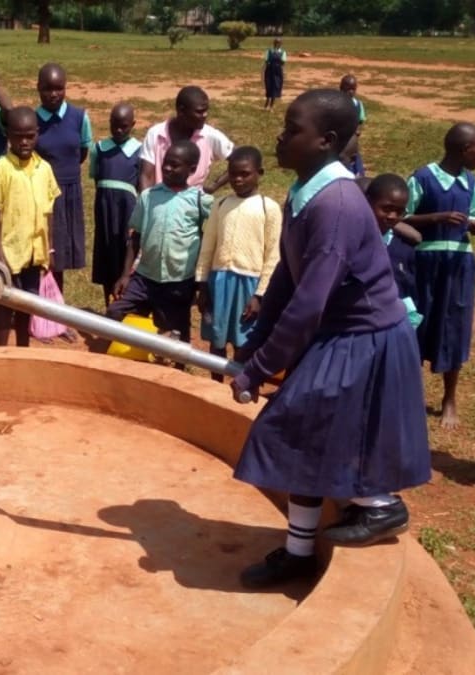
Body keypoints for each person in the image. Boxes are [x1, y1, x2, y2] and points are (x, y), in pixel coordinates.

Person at [230, 89, 430, 589]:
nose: (280, 134)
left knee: (294, 425)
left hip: (365, 339)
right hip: (338, 334)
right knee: (308, 435)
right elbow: (286, 279)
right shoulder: (304, 194)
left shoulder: (335, 205)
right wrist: (255, 343)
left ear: (327, 140)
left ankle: (382, 505)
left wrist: (256, 369)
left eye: (293, 128)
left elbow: (310, 303)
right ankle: (299, 552)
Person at [404, 123, 475, 430]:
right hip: (427, 260)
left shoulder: (470, 182)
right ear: (465, 150)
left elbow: (473, 213)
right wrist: (437, 218)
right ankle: (410, 394)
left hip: (459, 263)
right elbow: (401, 217)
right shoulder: (423, 177)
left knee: (454, 325)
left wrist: (473, 224)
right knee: (419, 323)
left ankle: (449, 397)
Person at [108, 141, 213, 363]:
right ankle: (129, 359)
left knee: (178, 330)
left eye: (175, 166)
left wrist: (201, 281)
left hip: (179, 280)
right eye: (165, 163)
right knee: (115, 312)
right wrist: (126, 274)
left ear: (192, 169)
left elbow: (210, 239)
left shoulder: (199, 201)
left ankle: (177, 373)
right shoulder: (148, 197)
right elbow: (135, 237)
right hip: (145, 277)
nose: (167, 169)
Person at [195, 146, 281, 381]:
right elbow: (208, 245)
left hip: (249, 285)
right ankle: (216, 385)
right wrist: (202, 283)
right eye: (233, 174)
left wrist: (260, 295)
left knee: (244, 340)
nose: (238, 179)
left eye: (245, 174)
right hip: (219, 280)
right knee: (217, 337)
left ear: (259, 173)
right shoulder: (221, 204)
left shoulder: (269, 208)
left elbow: (273, 255)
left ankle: (240, 383)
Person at [0, 107, 59, 348]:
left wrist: (50, 250)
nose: (24, 142)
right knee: (5, 310)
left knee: (27, 308)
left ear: (37, 134)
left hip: (34, 255)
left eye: (30, 135)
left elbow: (49, 213)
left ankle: (23, 353)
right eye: (18, 136)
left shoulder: (44, 169)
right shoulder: (1, 169)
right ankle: (0, 358)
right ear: (8, 135)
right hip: (9, 256)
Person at [35, 63, 91, 295]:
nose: (53, 94)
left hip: (68, 191)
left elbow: (82, 151)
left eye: (59, 88)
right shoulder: (32, 119)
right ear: (38, 88)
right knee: (41, 251)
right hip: (41, 193)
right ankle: (37, 307)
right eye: (47, 88)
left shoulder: (79, 117)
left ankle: (58, 310)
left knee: (60, 254)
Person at [89, 101, 141, 307]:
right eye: (114, 125)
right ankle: (108, 304)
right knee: (106, 253)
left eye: (124, 126)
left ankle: (123, 304)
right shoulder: (100, 149)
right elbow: (96, 177)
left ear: (133, 124)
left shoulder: (139, 150)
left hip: (126, 211)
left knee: (125, 253)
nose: (119, 130)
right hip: (104, 210)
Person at [139, 86, 233, 194]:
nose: (205, 115)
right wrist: (146, 204)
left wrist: (214, 186)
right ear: (181, 111)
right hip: (158, 205)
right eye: (199, 112)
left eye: (206, 110)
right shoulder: (156, 134)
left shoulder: (209, 136)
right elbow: (146, 175)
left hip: (191, 207)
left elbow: (241, 158)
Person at [364, 173, 423, 330]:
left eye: (399, 212)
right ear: (367, 203)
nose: (392, 216)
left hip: (396, 328)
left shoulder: (404, 249)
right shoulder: (354, 244)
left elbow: (410, 289)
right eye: (386, 209)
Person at [339, 75, 367, 176]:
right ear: (341, 88)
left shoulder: (358, 104)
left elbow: (361, 120)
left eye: (353, 89)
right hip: (340, 142)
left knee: (355, 162)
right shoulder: (337, 104)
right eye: (347, 89)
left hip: (353, 141)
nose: (350, 92)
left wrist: (358, 130)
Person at [263, 38, 286, 111]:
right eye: (276, 43)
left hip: (277, 71)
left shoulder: (283, 52)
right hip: (269, 70)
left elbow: (283, 62)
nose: (278, 44)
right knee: (268, 86)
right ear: (274, 43)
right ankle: (267, 101)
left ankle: (271, 106)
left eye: (279, 43)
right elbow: (266, 60)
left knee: (275, 86)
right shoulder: (269, 51)